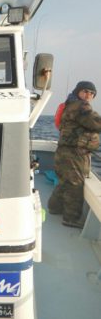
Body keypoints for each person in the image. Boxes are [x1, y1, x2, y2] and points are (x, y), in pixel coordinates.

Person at [48, 81, 101, 228]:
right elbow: (96, 123)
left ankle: (54, 207)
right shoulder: (81, 106)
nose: (88, 95)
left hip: (66, 151)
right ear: (78, 91)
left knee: (66, 181)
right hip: (74, 152)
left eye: (92, 93)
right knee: (75, 185)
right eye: (85, 91)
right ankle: (71, 219)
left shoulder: (71, 104)